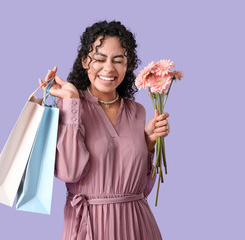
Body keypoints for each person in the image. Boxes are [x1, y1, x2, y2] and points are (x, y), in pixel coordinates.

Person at [39, 20, 170, 240]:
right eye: (99, 59)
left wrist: (148, 143)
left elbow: (143, 190)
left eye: (118, 60)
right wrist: (71, 101)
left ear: (127, 65)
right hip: (89, 228)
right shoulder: (69, 106)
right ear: (84, 61)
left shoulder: (137, 111)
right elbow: (69, 172)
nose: (109, 68)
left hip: (138, 226)